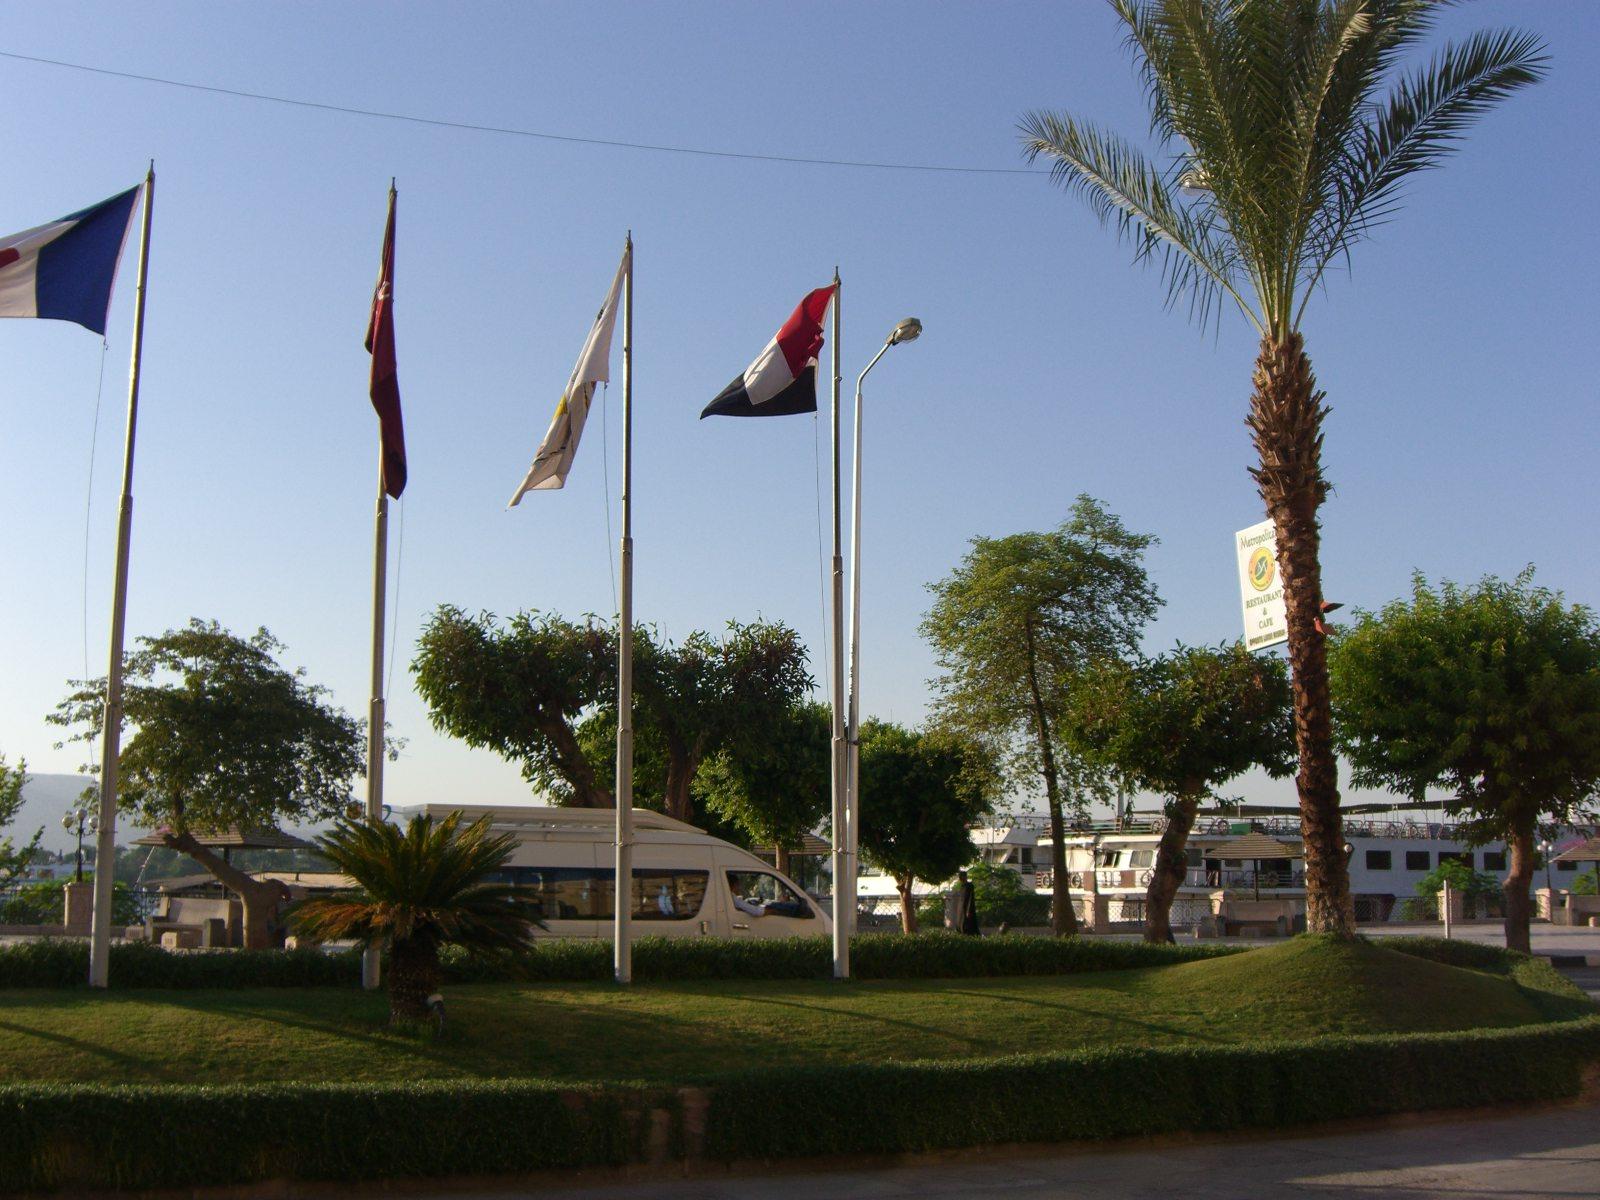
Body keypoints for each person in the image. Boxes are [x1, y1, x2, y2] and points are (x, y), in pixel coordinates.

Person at [953, 868, 980, 936]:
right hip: (961, 909)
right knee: (961, 923)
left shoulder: (969, 886)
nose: (960, 878)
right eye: (960, 877)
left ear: (965, 877)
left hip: (967, 909)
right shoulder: (962, 887)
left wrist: (968, 910)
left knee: (968, 924)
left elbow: (970, 898)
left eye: (961, 876)